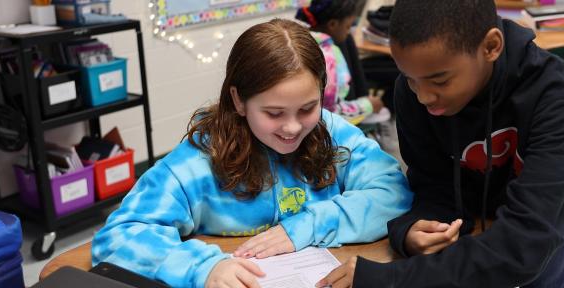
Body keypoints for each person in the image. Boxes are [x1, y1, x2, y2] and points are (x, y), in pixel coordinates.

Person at [91, 19, 412, 288]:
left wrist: (308, 225)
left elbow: (393, 192)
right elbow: (119, 237)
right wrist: (200, 268)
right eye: (273, 113)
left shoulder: (331, 130)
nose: (292, 127)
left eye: (307, 108)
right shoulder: (198, 160)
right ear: (239, 100)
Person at [318, 1, 564, 287]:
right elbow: (431, 182)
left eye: (439, 81)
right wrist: (412, 228)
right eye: (411, 79)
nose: (424, 97)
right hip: (476, 214)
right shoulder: (413, 92)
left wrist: (389, 279)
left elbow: (527, 243)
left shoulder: (549, 89)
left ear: (491, 46)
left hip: (551, 220)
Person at [296, 0, 386, 125]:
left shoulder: (299, 41)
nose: (349, 31)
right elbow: (329, 114)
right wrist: (368, 105)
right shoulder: (328, 57)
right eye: (348, 26)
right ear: (332, 24)